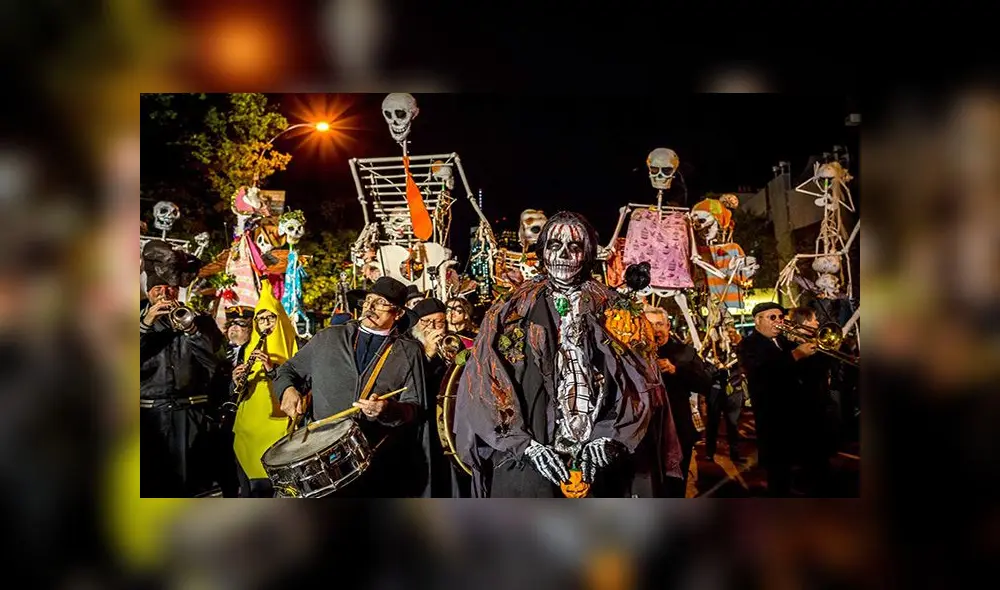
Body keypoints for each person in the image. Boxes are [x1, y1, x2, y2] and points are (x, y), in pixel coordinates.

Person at [455, 211, 662, 497]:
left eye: (574, 246)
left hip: (598, 462)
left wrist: (610, 436)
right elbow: (484, 379)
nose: (563, 254)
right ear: (542, 251)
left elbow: (639, 383)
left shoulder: (613, 307)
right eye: (554, 245)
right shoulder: (511, 309)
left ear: (587, 253)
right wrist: (524, 445)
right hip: (531, 458)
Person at [273, 276, 431, 497]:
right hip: (321, 459)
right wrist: (287, 390)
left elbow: (415, 408)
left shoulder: (408, 351)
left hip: (378, 463)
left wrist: (387, 410)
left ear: (398, 313)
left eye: (381, 303)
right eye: (369, 300)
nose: (371, 307)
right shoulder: (328, 338)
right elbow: (287, 371)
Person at [140, 240, 225, 497]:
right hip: (148, 417)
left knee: (191, 487)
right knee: (149, 486)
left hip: (191, 415)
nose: (164, 294)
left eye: (170, 288)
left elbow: (214, 362)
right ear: (148, 291)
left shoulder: (201, 322)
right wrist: (145, 323)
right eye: (158, 289)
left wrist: (191, 329)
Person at [736, 302, 817, 496]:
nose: (778, 321)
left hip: (794, 412)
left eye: (780, 317)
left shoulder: (784, 341)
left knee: (797, 466)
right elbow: (762, 372)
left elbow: (804, 371)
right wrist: (796, 355)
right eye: (772, 317)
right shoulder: (747, 345)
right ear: (758, 320)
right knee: (778, 470)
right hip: (772, 415)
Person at [231, 281, 299, 497]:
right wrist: (236, 380)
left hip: (279, 429)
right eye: (261, 319)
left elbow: (303, 383)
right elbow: (238, 391)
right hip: (248, 430)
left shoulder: (297, 345)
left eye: (271, 317)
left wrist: (271, 368)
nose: (266, 323)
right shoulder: (247, 348)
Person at [644, 306, 712, 497]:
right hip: (647, 432)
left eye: (659, 324)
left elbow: (705, 384)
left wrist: (676, 370)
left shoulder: (685, 352)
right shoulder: (634, 352)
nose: (655, 329)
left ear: (668, 326)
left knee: (675, 485)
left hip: (678, 428)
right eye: (650, 324)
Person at [409, 297, 471, 497]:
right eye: (429, 322)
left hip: (451, 420)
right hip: (425, 425)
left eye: (440, 322)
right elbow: (411, 384)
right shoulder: (408, 346)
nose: (436, 327)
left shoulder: (453, 342)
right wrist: (428, 353)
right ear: (418, 324)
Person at [787, 306, 838, 495]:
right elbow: (809, 372)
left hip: (820, 402)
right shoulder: (792, 346)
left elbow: (826, 368)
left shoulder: (814, 342)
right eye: (814, 319)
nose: (817, 323)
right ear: (805, 322)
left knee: (821, 451)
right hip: (805, 406)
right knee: (810, 452)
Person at [704, 323, 745, 464]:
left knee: (733, 424)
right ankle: (709, 452)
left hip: (733, 390)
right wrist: (716, 368)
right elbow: (705, 370)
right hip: (715, 390)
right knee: (713, 423)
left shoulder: (738, 349)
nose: (728, 335)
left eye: (731, 332)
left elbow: (743, 365)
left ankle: (735, 454)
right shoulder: (710, 351)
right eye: (726, 332)